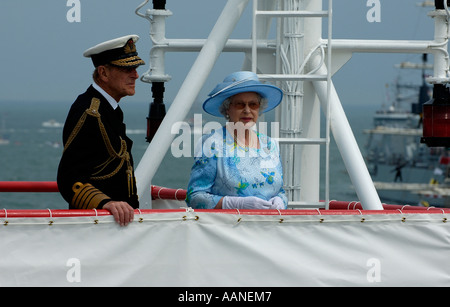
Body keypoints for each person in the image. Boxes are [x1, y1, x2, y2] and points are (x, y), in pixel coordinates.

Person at [57, 34, 145, 226]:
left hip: (114, 224)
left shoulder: (108, 109)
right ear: (103, 73)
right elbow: (68, 178)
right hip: (96, 225)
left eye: (136, 68)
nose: (135, 75)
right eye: (128, 68)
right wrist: (106, 203)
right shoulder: (90, 112)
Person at [185, 71, 288, 209]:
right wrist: (234, 204)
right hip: (230, 228)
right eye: (240, 104)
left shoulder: (270, 145)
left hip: (269, 227)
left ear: (260, 108)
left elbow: (280, 191)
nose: (247, 110)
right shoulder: (212, 144)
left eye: (253, 105)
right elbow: (194, 198)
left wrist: (281, 201)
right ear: (227, 108)